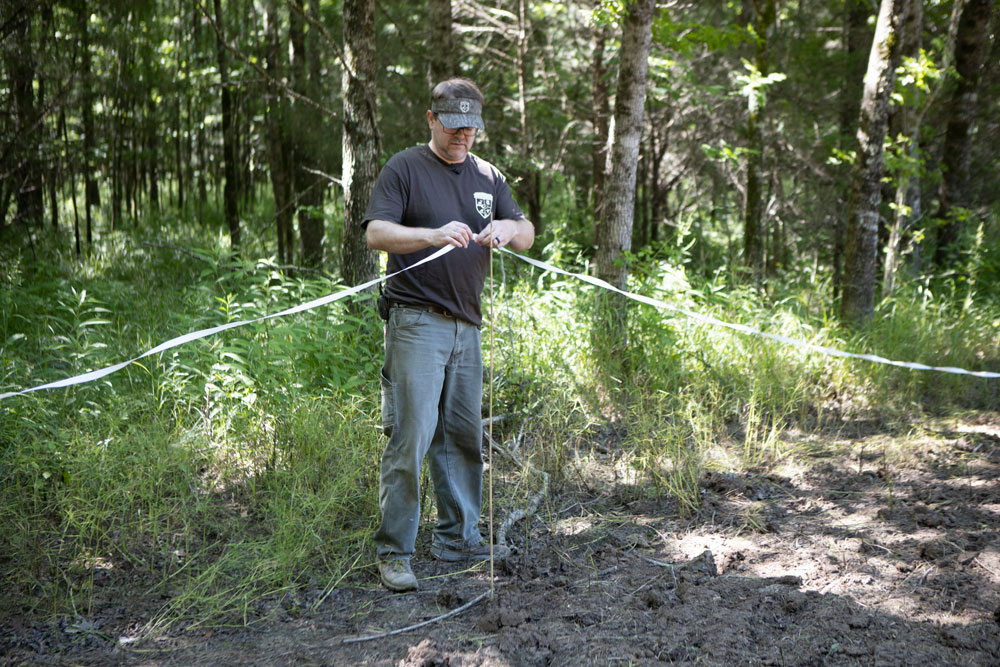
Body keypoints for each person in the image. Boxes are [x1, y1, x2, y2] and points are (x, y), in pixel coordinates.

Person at [362, 78, 535, 592]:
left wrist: (506, 231)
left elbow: (525, 232)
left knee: (461, 436)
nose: (463, 135)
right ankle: (395, 551)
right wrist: (432, 235)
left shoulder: (488, 176)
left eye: (472, 127)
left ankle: (458, 537)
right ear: (432, 120)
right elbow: (376, 233)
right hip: (416, 322)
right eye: (454, 125)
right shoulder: (405, 168)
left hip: (468, 328)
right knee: (411, 435)